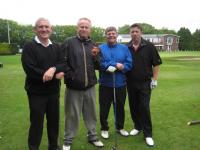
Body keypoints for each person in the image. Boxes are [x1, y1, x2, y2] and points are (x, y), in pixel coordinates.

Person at [21, 18, 65, 150]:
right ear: (35, 29)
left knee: (53, 122)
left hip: (53, 92)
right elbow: (30, 69)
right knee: (36, 123)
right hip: (36, 93)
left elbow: (63, 63)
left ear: (51, 29)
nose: (44, 29)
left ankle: (53, 146)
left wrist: (53, 69)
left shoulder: (56, 46)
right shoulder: (29, 46)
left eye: (47, 27)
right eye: (40, 27)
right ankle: (33, 147)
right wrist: (53, 75)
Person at [62, 17, 103, 150]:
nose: (84, 29)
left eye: (86, 27)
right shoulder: (69, 42)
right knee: (72, 115)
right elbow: (62, 62)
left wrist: (96, 56)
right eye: (81, 26)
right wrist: (71, 76)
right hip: (74, 87)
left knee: (91, 114)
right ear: (77, 28)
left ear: (90, 29)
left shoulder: (93, 44)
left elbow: (99, 65)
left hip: (90, 86)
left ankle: (92, 136)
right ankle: (68, 140)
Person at [126, 23, 162, 147]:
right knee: (133, 106)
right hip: (130, 82)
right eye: (132, 32)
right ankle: (137, 126)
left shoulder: (149, 47)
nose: (134, 33)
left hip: (145, 83)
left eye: (136, 31)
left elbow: (156, 64)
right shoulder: (127, 47)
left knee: (144, 108)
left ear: (141, 32)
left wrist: (154, 79)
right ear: (130, 33)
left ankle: (148, 134)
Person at [98, 26, 132, 139]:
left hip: (120, 84)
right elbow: (100, 63)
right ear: (106, 35)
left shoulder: (124, 48)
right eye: (109, 33)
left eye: (113, 33)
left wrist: (122, 67)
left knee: (120, 107)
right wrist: (115, 64)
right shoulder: (100, 48)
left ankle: (120, 128)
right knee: (104, 108)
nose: (111, 35)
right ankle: (104, 128)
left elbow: (129, 64)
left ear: (117, 35)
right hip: (105, 84)